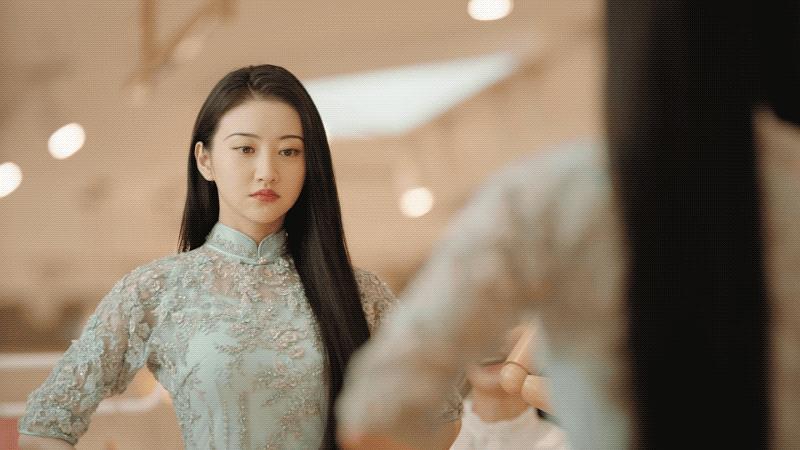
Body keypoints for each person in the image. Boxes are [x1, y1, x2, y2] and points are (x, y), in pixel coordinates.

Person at [16, 64, 462, 450]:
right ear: (205, 160)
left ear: (309, 164)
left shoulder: (359, 292)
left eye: (289, 151)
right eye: (245, 149)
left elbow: (442, 417)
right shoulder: (155, 290)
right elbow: (43, 425)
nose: (267, 171)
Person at [450, 323, 570, 450]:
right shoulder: (439, 433)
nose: (492, 342)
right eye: (477, 323)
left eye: (510, 320)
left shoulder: (568, 444)